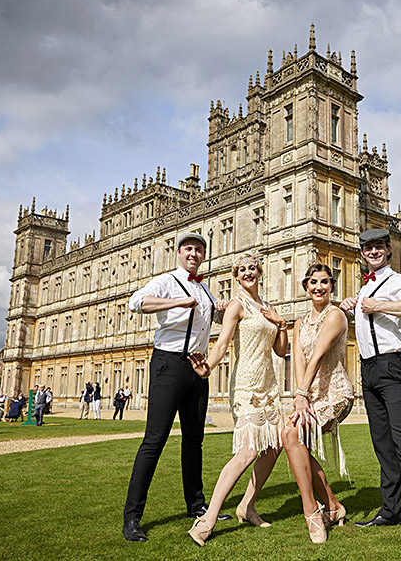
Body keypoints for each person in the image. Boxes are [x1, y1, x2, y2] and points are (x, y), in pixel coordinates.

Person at [122, 232, 229, 543]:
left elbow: (210, 321)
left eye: (199, 250)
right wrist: (180, 301)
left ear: (203, 255)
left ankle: (196, 506)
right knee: (154, 440)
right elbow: (136, 302)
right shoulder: (166, 281)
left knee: (194, 441)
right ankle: (132, 517)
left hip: (198, 368)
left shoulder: (205, 289)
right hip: (169, 364)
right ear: (179, 253)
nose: (194, 254)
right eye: (189, 249)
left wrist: (219, 308)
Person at [339, 228, 401, 555]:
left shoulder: (395, 281)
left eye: (379, 246)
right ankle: (392, 511)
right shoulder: (365, 285)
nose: (373, 251)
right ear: (363, 253)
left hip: (393, 367)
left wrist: (378, 305)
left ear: (388, 251)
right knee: (382, 445)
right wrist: (348, 305)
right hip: (368, 370)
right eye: (368, 248)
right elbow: (362, 318)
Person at [186, 253, 288, 546]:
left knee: (274, 446)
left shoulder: (267, 307)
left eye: (252, 268)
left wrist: (281, 324)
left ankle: (247, 506)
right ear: (236, 275)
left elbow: (281, 351)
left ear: (260, 272)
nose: (248, 272)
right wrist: (207, 368)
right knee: (247, 451)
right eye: (242, 269)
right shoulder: (236, 304)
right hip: (246, 385)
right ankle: (207, 520)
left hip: (269, 385)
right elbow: (222, 342)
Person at [280, 263, 355, 544]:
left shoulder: (336, 316)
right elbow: (298, 361)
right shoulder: (300, 323)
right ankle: (334, 507)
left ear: (332, 286)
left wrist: (301, 394)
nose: (319, 287)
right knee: (292, 438)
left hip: (337, 394)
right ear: (306, 287)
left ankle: (311, 510)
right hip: (311, 396)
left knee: (290, 434)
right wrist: (302, 396)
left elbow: (317, 356)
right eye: (313, 282)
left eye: (324, 282)